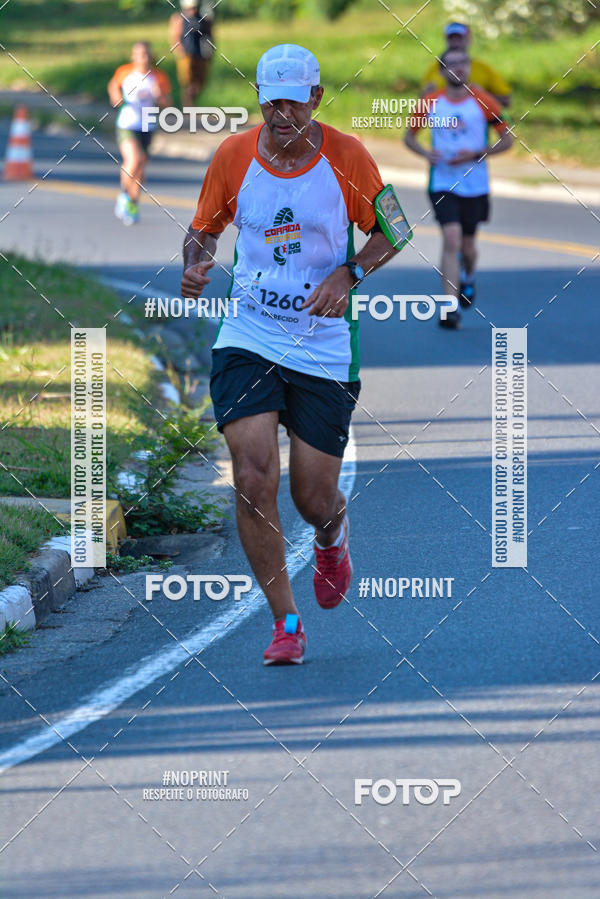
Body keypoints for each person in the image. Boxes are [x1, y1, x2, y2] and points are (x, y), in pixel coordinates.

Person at [181, 44, 406, 665]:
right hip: (249, 336)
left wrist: (349, 275)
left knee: (312, 497)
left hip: (324, 344)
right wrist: (196, 259)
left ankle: (331, 535)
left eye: (293, 100)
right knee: (252, 475)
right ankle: (285, 622)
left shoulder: (347, 158)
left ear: (316, 97)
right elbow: (204, 227)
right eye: (269, 100)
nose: (281, 113)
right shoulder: (232, 156)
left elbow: (395, 229)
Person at [405, 48, 513, 329]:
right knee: (451, 239)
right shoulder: (430, 101)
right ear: (441, 71)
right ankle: (449, 307)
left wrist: (478, 153)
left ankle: (469, 276)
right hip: (442, 182)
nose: (458, 68)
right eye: (451, 64)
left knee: (467, 245)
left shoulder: (483, 101)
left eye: (462, 63)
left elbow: (508, 140)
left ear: (468, 67)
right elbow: (409, 136)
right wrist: (425, 153)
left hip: (475, 184)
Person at [108, 42, 171, 225]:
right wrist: (115, 97)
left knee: (141, 166)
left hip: (147, 124)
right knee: (134, 159)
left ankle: (132, 204)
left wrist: (160, 97)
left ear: (150, 56)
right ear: (133, 56)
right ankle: (123, 195)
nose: (142, 58)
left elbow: (167, 102)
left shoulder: (158, 77)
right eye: (139, 54)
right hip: (127, 123)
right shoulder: (125, 72)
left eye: (145, 54)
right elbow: (113, 86)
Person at [421, 23, 512, 108]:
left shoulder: (483, 68)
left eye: (459, 38)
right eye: (451, 38)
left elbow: (506, 101)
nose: (455, 42)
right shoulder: (434, 68)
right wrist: (427, 96)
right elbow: (421, 106)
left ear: (469, 40)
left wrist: (483, 95)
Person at [169, 0, 215, 109]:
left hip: (201, 55)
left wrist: (210, 53)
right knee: (187, 83)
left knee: (199, 83)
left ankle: (191, 105)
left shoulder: (204, 19)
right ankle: (188, 106)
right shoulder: (178, 18)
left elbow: (209, 36)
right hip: (186, 55)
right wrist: (180, 52)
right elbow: (175, 36)